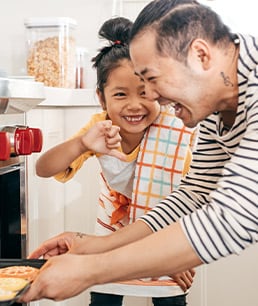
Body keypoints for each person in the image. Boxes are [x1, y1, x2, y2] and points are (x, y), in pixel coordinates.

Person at [20, 0, 258, 303]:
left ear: (200, 56)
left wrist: (90, 270)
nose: (152, 96)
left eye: (153, 78)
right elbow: (193, 195)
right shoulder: (217, 107)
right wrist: (93, 245)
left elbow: (234, 217)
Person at [34, 16, 196, 306]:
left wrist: (179, 251)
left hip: (167, 234)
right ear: (101, 98)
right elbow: (43, 168)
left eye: (145, 93)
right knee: (104, 299)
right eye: (120, 94)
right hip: (112, 234)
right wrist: (82, 143)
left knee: (170, 299)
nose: (134, 105)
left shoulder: (177, 129)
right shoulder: (100, 129)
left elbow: (193, 197)